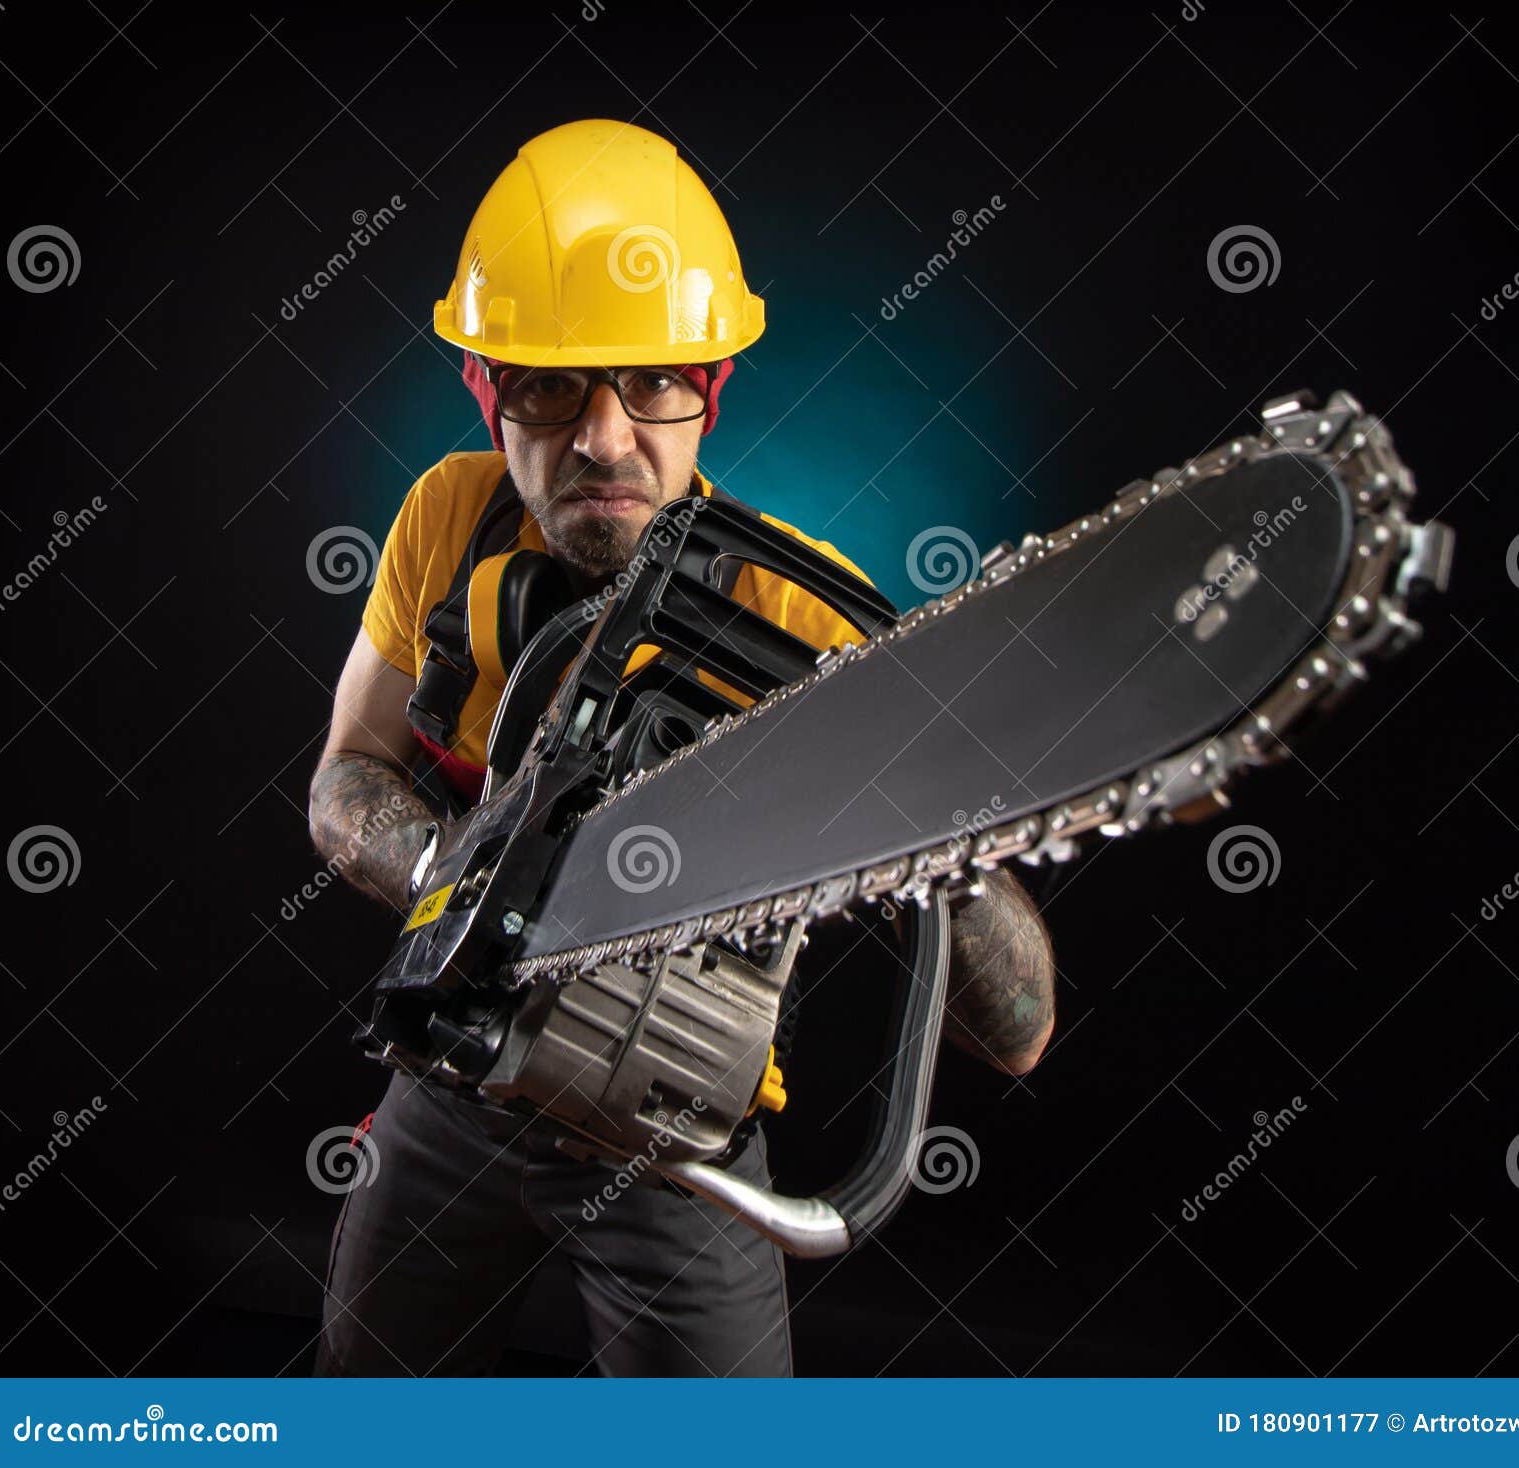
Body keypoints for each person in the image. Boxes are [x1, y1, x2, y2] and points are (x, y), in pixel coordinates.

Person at [307, 119, 1056, 1377]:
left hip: (673, 1134)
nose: (604, 439)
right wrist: (467, 886)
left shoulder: (808, 620)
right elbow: (344, 777)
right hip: (457, 1069)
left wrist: (925, 830)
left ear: (712, 387)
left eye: (653, 381)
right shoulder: (448, 515)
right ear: (485, 389)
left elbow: (1017, 1028)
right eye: (551, 386)